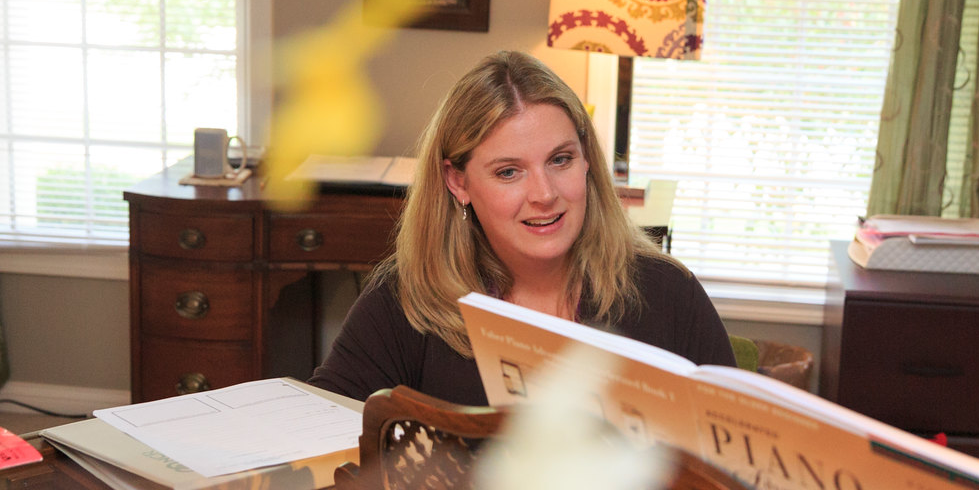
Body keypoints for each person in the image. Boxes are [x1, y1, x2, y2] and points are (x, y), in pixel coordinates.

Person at [311, 51, 734, 406]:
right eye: (509, 171)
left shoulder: (669, 293)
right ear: (458, 181)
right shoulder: (407, 299)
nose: (544, 194)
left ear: (587, 158)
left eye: (560, 160)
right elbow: (323, 424)